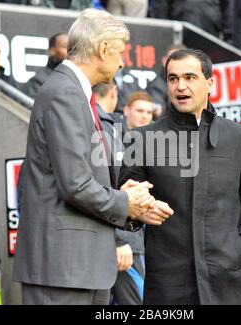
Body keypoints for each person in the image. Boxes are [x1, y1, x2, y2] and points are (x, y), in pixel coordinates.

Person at [13, 9, 173, 305]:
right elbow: (75, 184)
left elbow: (82, 177)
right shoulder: (64, 92)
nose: (123, 61)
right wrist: (127, 204)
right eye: (121, 52)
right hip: (62, 269)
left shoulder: (76, 92)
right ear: (103, 49)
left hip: (82, 267)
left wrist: (121, 195)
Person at [118, 49, 241, 305]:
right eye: (172, 78)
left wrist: (240, 249)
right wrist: (135, 212)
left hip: (226, 284)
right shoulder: (141, 139)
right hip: (167, 286)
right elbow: (124, 203)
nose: (180, 86)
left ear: (209, 83)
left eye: (190, 77)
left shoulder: (240, 138)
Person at [93, 84, 151, 304]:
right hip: (126, 244)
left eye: (148, 112)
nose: (144, 116)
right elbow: (108, 191)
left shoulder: (150, 142)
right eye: (139, 110)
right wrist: (120, 241)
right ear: (126, 110)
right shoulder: (111, 135)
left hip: (143, 243)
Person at [146, 43, 186, 118]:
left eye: (182, 59)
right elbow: (159, 109)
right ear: (164, 61)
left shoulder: (193, 82)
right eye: (173, 58)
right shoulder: (156, 85)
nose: (178, 63)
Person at [24, 33, 68, 99]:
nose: (71, 51)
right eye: (65, 46)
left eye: (73, 47)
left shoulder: (80, 78)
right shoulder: (39, 81)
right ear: (52, 51)